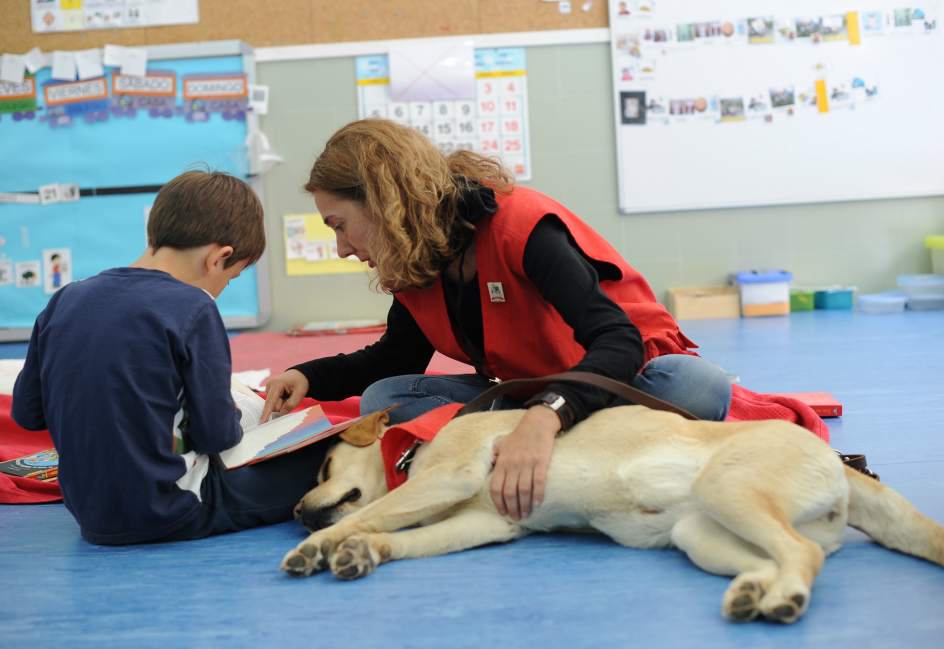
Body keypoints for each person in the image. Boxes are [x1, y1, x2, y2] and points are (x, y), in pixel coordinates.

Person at [261, 119, 731, 523]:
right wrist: (308, 375)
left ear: (384, 203)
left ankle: (539, 436)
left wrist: (549, 413)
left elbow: (617, 339)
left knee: (698, 388)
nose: (342, 248)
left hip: (611, 378)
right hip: (526, 393)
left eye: (339, 225)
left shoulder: (520, 226)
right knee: (383, 397)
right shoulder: (414, 257)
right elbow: (394, 359)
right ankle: (561, 444)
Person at [12, 170, 327, 545]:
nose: (222, 290)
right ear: (219, 258)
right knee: (328, 453)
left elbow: (27, 414)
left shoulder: (65, 299)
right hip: (175, 510)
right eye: (232, 278)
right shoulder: (193, 308)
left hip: (90, 515)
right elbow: (217, 435)